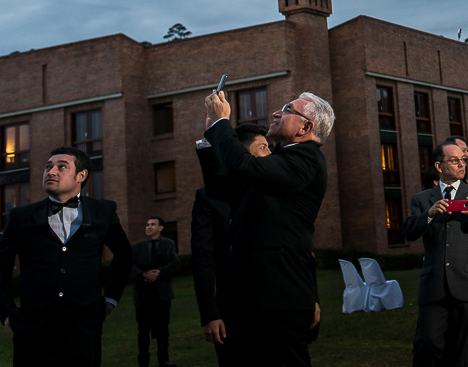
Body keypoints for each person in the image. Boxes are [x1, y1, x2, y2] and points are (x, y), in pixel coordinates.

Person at [202, 89, 333, 366]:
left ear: (306, 127)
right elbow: (223, 187)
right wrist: (210, 136)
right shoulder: (283, 159)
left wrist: (221, 123)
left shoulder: (305, 159)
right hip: (257, 296)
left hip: (280, 298)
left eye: (287, 109)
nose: (276, 112)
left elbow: (241, 164)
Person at [0, 147, 133, 367]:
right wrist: (6, 314)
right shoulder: (20, 217)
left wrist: (110, 298)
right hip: (33, 328)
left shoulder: (103, 211)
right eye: (48, 167)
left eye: (61, 167)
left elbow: (124, 254)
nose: (51, 171)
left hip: (84, 326)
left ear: (81, 176)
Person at [403, 142, 468, 367]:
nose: (461, 163)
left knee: (466, 351)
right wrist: (428, 215)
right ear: (439, 165)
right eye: (454, 160)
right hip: (434, 285)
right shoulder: (421, 199)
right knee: (428, 343)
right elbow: (408, 232)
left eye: (463, 160)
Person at [192, 122, 270, 366]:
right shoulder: (209, 197)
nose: (271, 154)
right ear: (244, 153)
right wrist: (210, 314)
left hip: (277, 303)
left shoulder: (274, 187)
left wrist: (312, 297)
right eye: (264, 147)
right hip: (233, 309)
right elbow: (202, 258)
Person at [132, 216, 182, 367]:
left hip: (162, 294)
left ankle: (163, 360)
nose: (149, 227)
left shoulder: (168, 244)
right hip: (143, 295)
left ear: (160, 228)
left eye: (153, 224)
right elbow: (130, 267)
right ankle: (143, 362)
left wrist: (159, 272)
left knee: (162, 329)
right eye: (147, 224)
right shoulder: (137, 247)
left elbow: (175, 264)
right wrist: (143, 274)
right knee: (143, 330)